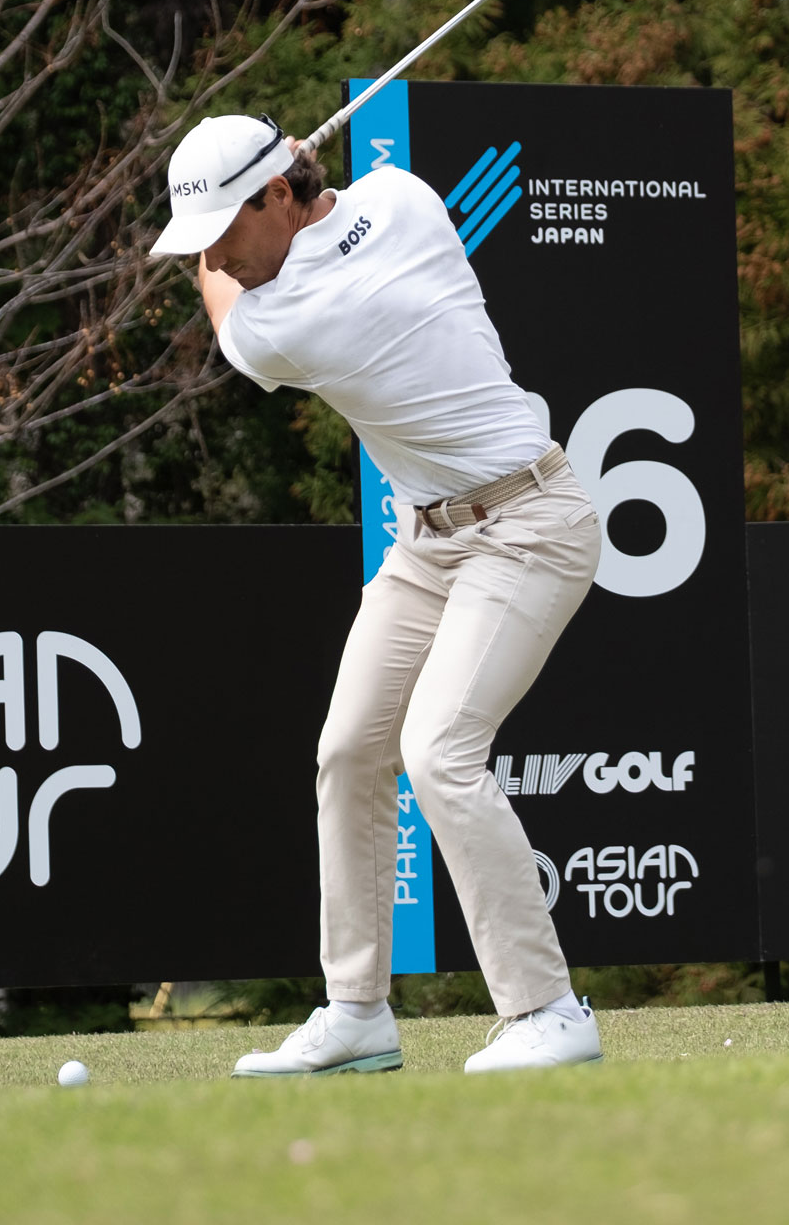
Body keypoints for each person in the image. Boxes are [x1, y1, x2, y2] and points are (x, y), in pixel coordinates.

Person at [150, 113, 606, 1075]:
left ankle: (550, 1011)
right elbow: (342, 212)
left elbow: (226, 312)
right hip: (432, 541)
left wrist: (221, 254)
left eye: (224, 230)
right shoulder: (406, 197)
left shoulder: (289, 324)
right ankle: (357, 1010)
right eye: (206, 244)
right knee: (350, 750)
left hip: (530, 526)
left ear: (276, 195)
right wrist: (278, 188)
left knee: (438, 752)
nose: (218, 258)